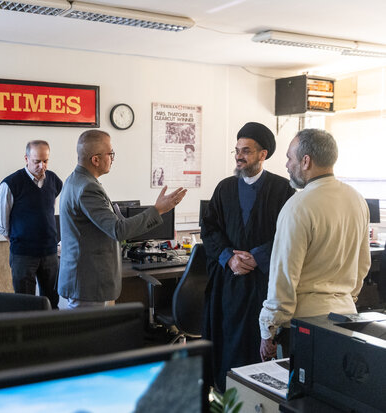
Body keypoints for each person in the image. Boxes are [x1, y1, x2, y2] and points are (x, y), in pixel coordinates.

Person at [259, 129, 371, 361]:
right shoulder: (357, 200)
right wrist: (346, 299)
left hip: (306, 325)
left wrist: (267, 328)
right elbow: (362, 264)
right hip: (346, 318)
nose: (288, 165)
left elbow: (284, 277)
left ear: (306, 161)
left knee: (300, 395)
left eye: (290, 158)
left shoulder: (297, 206)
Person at [201, 122, 295, 391]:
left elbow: (288, 233)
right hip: (229, 283)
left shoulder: (283, 189)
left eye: (246, 151)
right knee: (227, 339)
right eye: (237, 150)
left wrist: (257, 257)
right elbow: (210, 228)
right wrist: (228, 257)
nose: (239, 156)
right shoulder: (224, 188)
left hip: (262, 286)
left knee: (258, 342)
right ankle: (225, 392)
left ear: (263, 154)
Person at [58, 130, 187, 308]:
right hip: (89, 284)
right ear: (95, 159)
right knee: (93, 335)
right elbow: (118, 230)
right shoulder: (88, 188)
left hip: (85, 280)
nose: (112, 158)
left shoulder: (76, 180)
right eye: (110, 154)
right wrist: (158, 210)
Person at [0, 140, 62, 308]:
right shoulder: (11, 184)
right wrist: (19, 242)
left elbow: (48, 208)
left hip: (50, 252)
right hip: (23, 254)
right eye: (36, 161)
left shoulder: (54, 180)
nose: (42, 166)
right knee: (25, 304)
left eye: (45, 161)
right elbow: (2, 225)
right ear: (26, 158)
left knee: (51, 302)